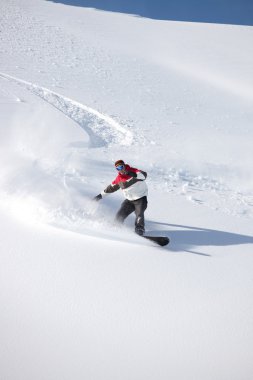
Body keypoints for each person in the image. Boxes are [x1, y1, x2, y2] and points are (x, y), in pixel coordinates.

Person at [93, 160, 148, 235]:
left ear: (124, 166)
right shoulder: (119, 179)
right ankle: (116, 229)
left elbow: (144, 175)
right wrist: (99, 196)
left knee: (139, 214)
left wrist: (131, 174)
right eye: (118, 168)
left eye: (121, 167)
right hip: (129, 201)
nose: (120, 169)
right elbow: (110, 188)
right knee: (119, 217)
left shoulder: (134, 171)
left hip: (140, 199)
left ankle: (139, 230)